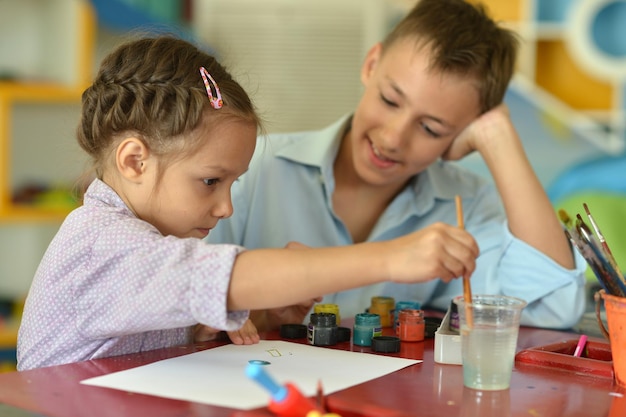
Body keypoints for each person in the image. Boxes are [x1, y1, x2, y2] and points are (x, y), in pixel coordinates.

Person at [16, 35, 479, 371]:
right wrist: (393, 256)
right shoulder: (100, 244)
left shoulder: (148, 244)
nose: (225, 208)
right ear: (135, 160)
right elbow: (227, 276)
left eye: (232, 184)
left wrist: (254, 315)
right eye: (210, 181)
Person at [207, 0, 587, 330]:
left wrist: (498, 137)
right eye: (390, 100)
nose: (392, 138)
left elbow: (551, 307)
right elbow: (179, 292)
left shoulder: (464, 204)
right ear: (371, 64)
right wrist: (262, 315)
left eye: (430, 128)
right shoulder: (251, 168)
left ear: (464, 129)